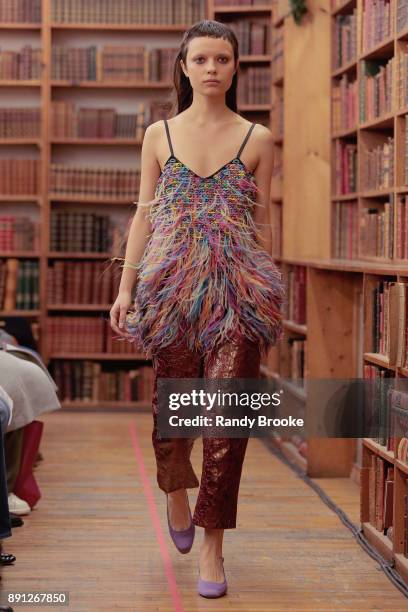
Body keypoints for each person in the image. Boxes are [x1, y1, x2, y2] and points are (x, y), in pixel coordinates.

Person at [110, 19, 285, 599]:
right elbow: (144, 215)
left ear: (236, 68)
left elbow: (260, 227)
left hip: (237, 295)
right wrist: (126, 289)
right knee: (175, 419)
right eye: (201, 59)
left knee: (226, 423)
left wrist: (266, 289)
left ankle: (214, 546)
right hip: (170, 292)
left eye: (223, 60)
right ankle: (176, 494)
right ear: (184, 68)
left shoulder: (256, 138)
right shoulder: (158, 135)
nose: (212, 69)